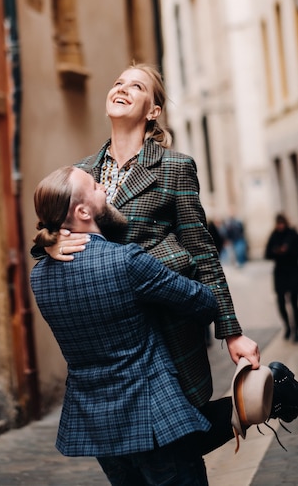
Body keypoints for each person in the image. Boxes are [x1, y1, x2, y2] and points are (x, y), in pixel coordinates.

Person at [31, 166, 298, 484]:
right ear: (83, 210)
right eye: (94, 185)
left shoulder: (39, 277)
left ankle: (274, 396)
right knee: (180, 452)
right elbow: (202, 302)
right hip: (152, 412)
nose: (103, 186)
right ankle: (276, 392)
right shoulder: (126, 260)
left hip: (101, 428)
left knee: (185, 440)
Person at [47, 63, 260, 414]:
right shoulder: (81, 172)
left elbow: (202, 252)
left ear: (153, 111)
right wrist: (52, 243)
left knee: (178, 436)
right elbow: (49, 230)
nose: (123, 89)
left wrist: (231, 332)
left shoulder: (175, 167)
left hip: (164, 328)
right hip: (110, 339)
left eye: (136, 87)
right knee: (129, 437)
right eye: (118, 83)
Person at [265, 213, 298, 342]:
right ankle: (287, 327)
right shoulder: (274, 235)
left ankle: (296, 329)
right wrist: (276, 251)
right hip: (279, 273)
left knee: (294, 303)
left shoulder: (292, 234)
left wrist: (287, 250)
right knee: (281, 302)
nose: (280, 226)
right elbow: (267, 253)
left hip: (292, 271)